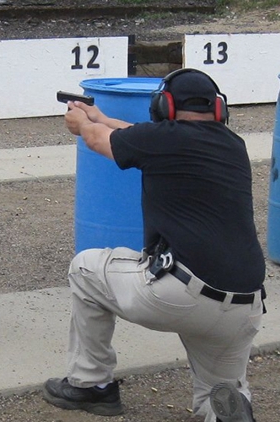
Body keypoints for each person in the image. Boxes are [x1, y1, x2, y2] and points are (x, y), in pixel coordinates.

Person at [42, 68, 266, 422]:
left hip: (180, 295)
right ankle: (227, 412)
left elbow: (99, 141)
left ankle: (91, 384)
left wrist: (83, 124)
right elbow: (139, 136)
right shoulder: (232, 145)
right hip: (244, 305)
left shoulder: (163, 140)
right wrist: (99, 116)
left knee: (85, 267)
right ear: (219, 109)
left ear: (163, 105)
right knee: (220, 392)